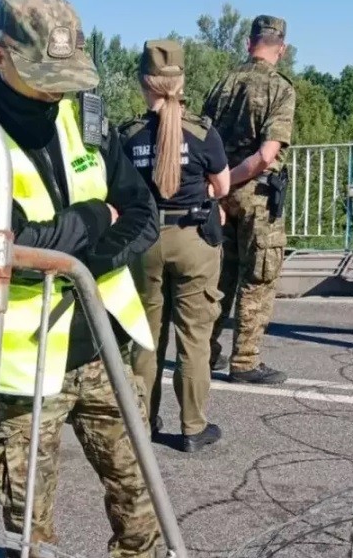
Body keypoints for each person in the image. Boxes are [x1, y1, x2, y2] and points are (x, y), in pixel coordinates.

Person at [0, 0, 164, 557]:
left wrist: (74, 259)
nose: (58, 88)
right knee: (29, 533)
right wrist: (97, 216)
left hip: (101, 348)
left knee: (141, 499)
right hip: (24, 372)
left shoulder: (86, 118)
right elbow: (11, 251)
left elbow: (143, 214)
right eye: (42, 72)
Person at [119, 40, 230, 453]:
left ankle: (142, 425)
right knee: (194, 338)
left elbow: (119, 192)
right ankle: (192, 427)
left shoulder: (127, 135)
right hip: (194, 239)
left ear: (143, 83)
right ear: (181, 82)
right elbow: (222, 187)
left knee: (145, 338)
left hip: (144, 241)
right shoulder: (202, 132)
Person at [201, 15, 296, 384]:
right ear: (281, 48)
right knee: (258, 277)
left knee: (219, 278)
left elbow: (202, 140)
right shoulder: (280, 89)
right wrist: (235, 179)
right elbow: (266, 156)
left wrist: (217, 186)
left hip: (219, 196)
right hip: (256, 195)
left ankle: (204, 353)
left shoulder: (222, 84)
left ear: (249, 42)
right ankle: (245, 360)